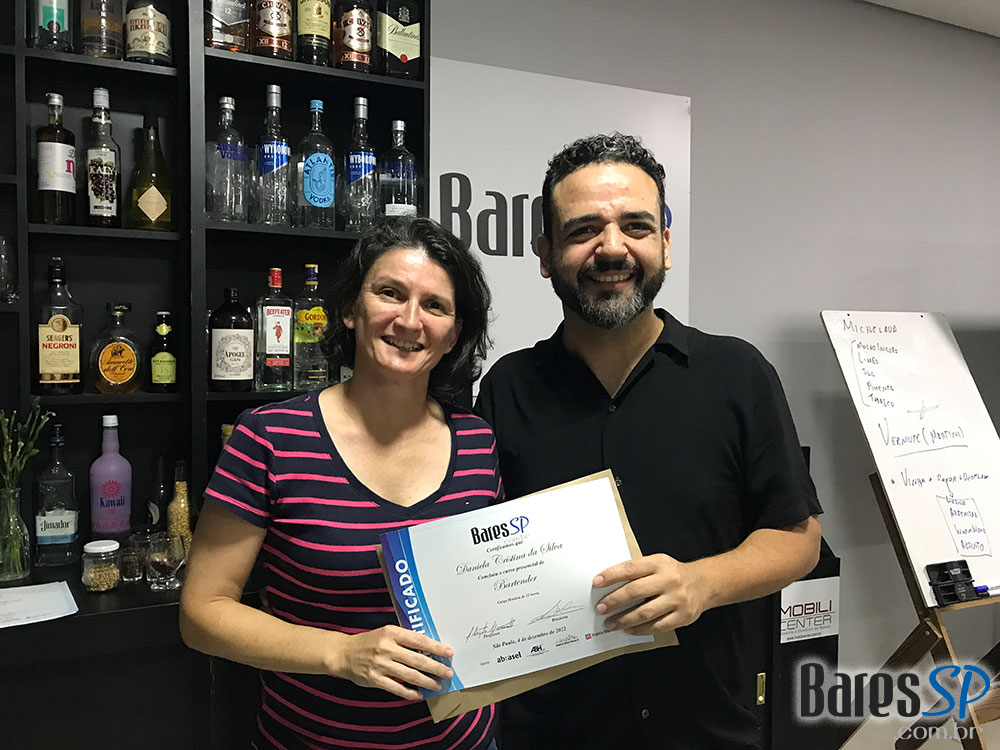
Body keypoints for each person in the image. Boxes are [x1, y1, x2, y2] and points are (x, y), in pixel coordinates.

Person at [474, 133, 822, 750]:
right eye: (584, 230)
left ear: (664, 242)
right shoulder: (508, 388)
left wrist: (702, 583)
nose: (612, 247)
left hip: (707, 731)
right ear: (545, 253)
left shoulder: (737, 374)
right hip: (551, 735)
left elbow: (798, 540)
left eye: (635, 225)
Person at [180, 217, 500, 749]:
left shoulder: (477, 441)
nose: (410, 320)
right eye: (390, 293)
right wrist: (343, 654)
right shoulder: (270, 437)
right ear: (351, 309)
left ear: (454, 334)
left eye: (435, 305)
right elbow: (202, 613)